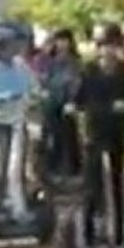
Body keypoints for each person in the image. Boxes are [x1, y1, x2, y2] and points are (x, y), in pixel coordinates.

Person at [77, 22, 124, 248]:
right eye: (102, 45)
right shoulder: (89, 69)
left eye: (111, 45)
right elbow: (79, 96)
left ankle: (119, 235)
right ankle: (89, 235)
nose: (107, 50)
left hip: (116, 132)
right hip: (94, 131)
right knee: (91, 184)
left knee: (116, 182)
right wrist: (74, 106)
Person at [0, 38, 35, 221]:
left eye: (13, 47)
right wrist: (6, 96)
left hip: (18, 122)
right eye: (7, 48)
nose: (11, 51)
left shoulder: (21, 67)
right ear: (0, 50)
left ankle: (22, 205)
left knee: (18, 168)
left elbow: (33, 87)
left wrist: (36, 96)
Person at [41, 28, 83, 178]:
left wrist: (73, 99)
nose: (62, 44)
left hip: (68, 103)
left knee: (69, 136)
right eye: (59, 40)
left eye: (65, 40)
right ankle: (51, 168)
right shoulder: (50, 61)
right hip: (52, 102)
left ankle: (73, 169)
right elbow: (44, 80)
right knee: (51, 136)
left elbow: (77, 82)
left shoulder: (75, 61)